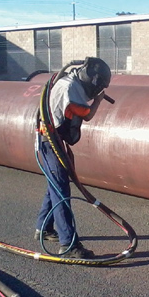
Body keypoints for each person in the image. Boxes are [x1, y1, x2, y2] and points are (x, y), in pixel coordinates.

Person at [35, 57, 111, 259]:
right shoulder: (70, 87)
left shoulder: (66, 82)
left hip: (51, 140)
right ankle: (68, 244)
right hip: (51, 141)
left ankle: (43, 228)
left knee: (55, 185)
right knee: (61, 192)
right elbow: (85, 114)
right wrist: (97, 101)